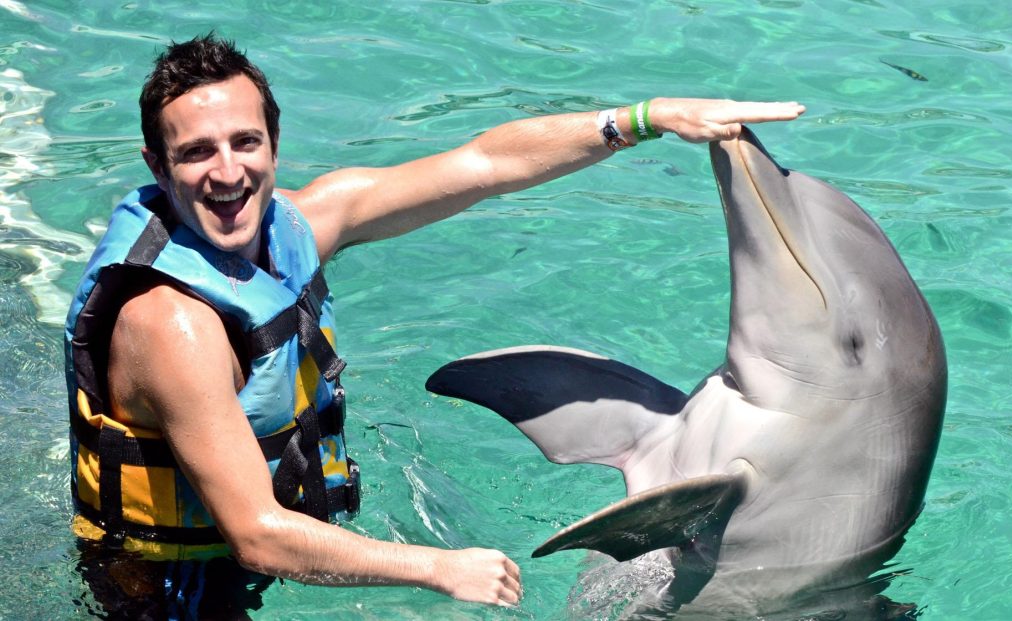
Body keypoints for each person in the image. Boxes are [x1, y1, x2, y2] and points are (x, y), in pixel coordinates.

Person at [65, 33, 804, 618]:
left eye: (244, 142)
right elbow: (257, 535)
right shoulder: (172, 326)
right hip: (169, 591)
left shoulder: (301, 223)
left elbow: (485, 163)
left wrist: (645, 118)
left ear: (274, 143)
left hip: (272, 530)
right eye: (195, 152)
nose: (227, 173)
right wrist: (437, 566)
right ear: (157, 166)